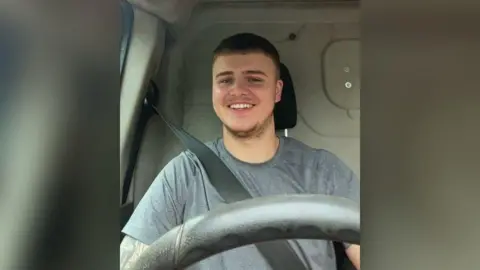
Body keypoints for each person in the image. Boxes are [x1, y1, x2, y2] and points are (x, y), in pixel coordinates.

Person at [120, 33, 360, 270]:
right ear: (214, 90)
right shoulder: (183, 174)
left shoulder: (324, 170)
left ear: (277, 91)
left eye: (254, 79)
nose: (237, 91)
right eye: (225, 80)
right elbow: (133, 263)